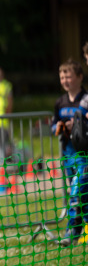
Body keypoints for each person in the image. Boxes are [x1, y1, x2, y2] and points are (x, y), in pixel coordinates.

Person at [52, 59, 88, 247]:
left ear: (79, 77)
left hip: (84, 154)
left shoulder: (86, 99)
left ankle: (70, 232)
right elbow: (53, 125)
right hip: (67, 153)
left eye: (69, 76)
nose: (65, 79)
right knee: (81, 194)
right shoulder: (60, 102)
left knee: (76, 191)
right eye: (62, 76)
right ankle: (79, 230)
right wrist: (57, 127)